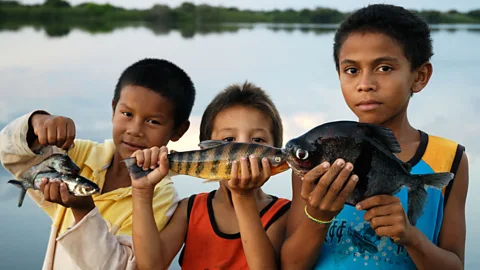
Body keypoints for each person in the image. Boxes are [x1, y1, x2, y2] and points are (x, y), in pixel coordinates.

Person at [281, 4, 469, 270]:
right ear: (339, 76)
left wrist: (411, 237)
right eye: (352, 70)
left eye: (383, 68)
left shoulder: (450, 159)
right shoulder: (315, 157)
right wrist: (318, 217)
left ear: (420, 76)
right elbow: (290, 266)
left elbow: (455, 264)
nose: (365, 83)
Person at [0, 58, 196, 270]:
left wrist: (83, 209)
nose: (135, 129)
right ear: (113, 109)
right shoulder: (80, 156)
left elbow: (122, 266)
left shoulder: (161, 198)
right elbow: (11, 155)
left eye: (153, 122)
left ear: (179, 130)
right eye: (127, 114)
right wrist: (36, 124)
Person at [131, 82, 291, 269]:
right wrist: (141, 193)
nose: (242, 151)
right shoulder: (190, 210)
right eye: (229, 140)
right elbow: (150, 266)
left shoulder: (283, 213)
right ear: (205, 150)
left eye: (257, 140)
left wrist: (243, 197)